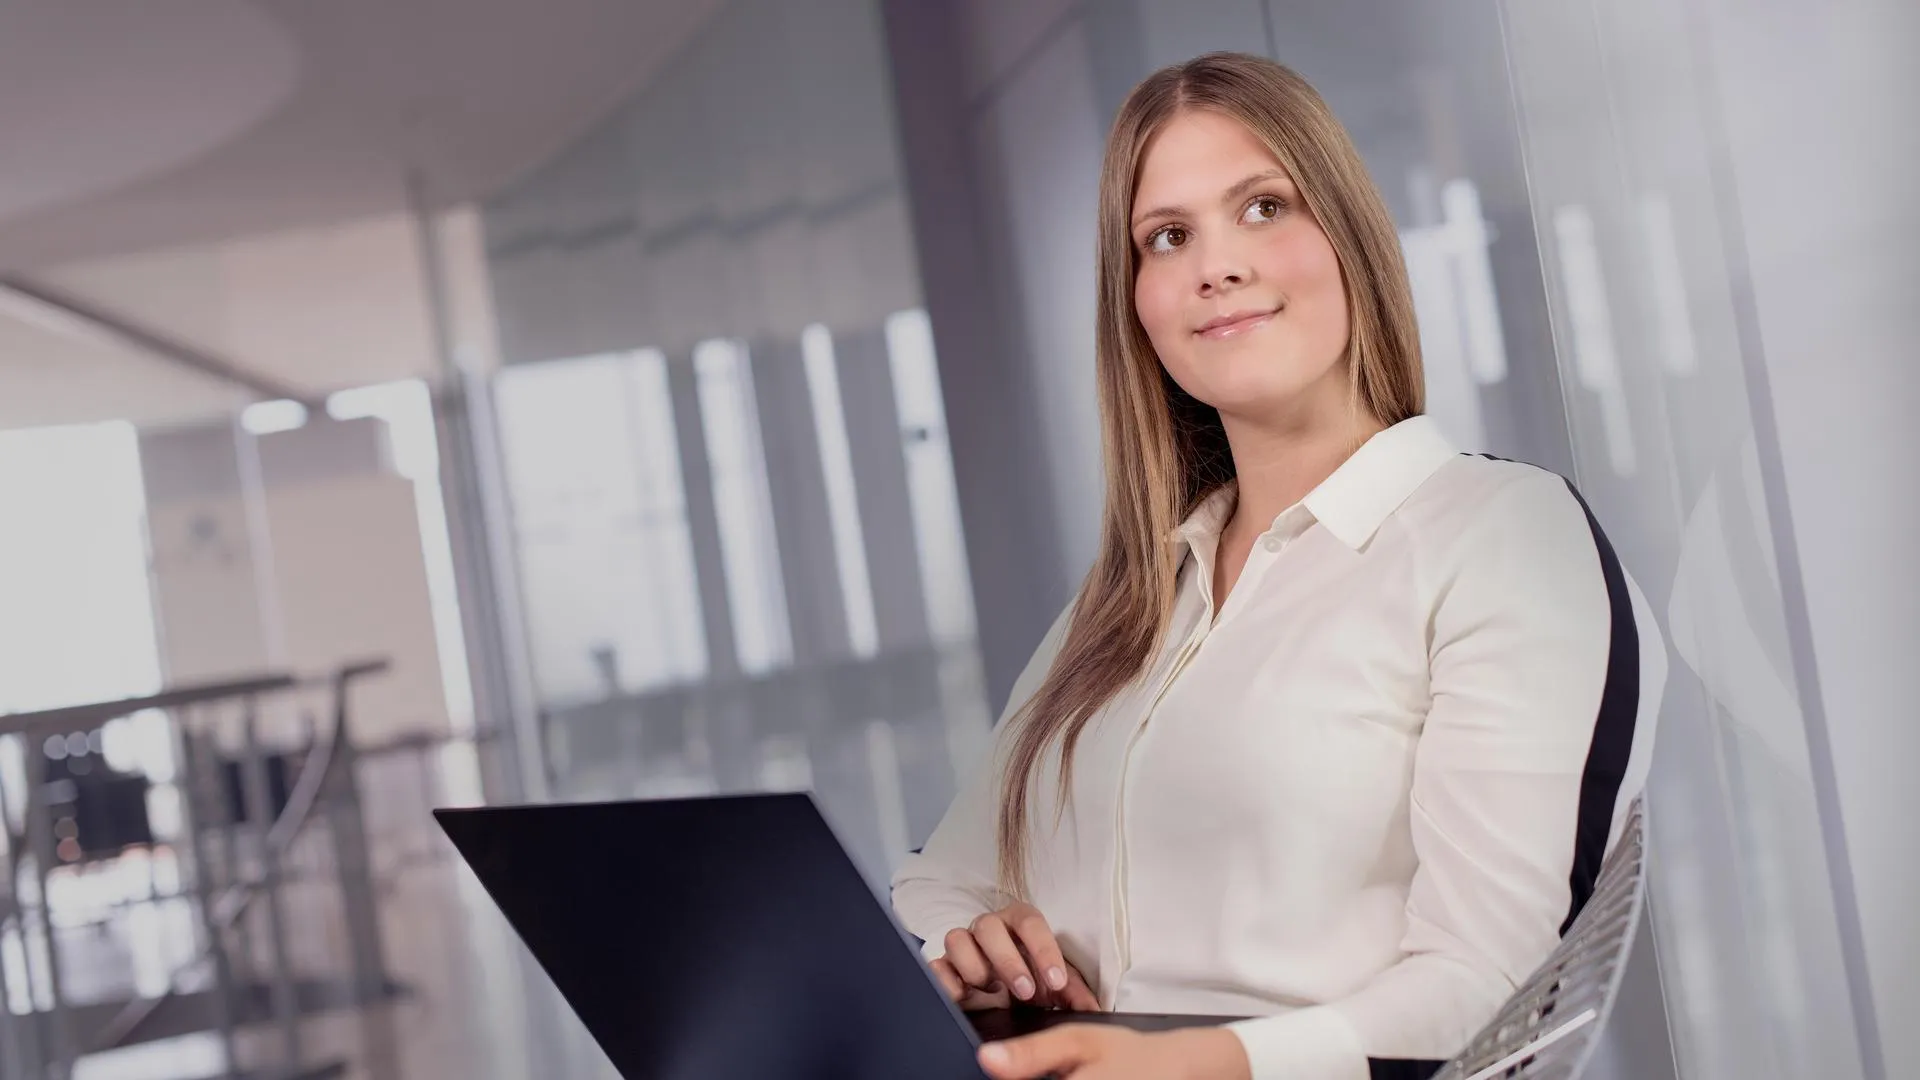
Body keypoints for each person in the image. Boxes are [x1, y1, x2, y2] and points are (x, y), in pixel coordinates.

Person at [889, 52, 1665, 1080]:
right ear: (1137, 302)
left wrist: (1208, 1062)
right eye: (1167, 237)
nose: (1215, 266)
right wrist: (970, 947)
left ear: (1348, 236)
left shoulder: (1500, 538)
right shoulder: (1129, 598)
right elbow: (940, 883)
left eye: (1263, 208)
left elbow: (1492, 985)